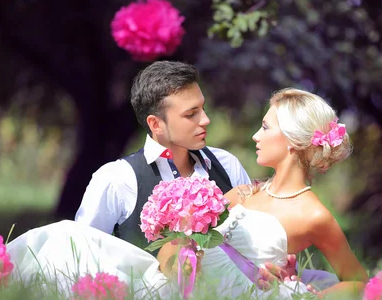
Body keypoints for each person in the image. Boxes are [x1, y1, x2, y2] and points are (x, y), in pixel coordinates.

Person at [6, 87, 365, 300]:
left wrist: (310, 298)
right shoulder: (245, 192)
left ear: (291, 142)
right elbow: (188, 243)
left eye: (266, 127)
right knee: (67, 238)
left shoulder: (314, 215)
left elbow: (357, 281)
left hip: (225, 298)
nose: (256, 135)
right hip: (180, 281)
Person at [74, 61, 251, 248]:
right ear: (156, 124)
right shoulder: (117, 179)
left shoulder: (227, 164)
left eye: (203, 109)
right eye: (191, 114)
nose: (205, 120)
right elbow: (82, 252)